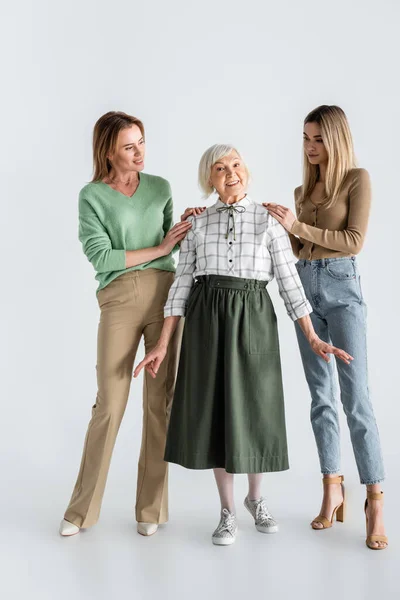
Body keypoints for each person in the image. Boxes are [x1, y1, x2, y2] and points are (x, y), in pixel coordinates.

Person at [134, 143, 352, 546]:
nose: (230, 172)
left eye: (236, 164)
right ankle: (228, 511)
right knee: (218, 410)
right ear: (209, 179)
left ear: (246, 172)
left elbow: (289, 282)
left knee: (254, 405)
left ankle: (256, 498)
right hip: (206, 317)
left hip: (253, 315)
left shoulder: (268, 221)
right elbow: (181, 285)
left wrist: (313, 336)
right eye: (219, 168)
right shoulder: (197, 223)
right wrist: (163, 343)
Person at [60, 111, 204, 537]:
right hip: (119, 300)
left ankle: (151, 511)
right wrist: (159, 247)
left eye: (141, 142)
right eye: (129, 146)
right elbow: (102, 258)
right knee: (109, 403)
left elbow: (177, 247)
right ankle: (81, 511)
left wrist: (190, 225)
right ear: (108, 151)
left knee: (160, 402)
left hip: (166, 294)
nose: (139, 152)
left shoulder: (160, 188)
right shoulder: (92, 196)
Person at [264, 105, 388, 550]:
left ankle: (374, 499)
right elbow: (301, 247)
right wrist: (283, 227)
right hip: (305, 288)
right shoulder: (302, 189)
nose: (310, 147)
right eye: (305, 138)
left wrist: (298, 226)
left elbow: (354, 240)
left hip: (342, 287)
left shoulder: (357, 180)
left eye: (317, 139)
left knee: (357, 398)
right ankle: (332, 487)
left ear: (335, 139)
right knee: (321, 396)